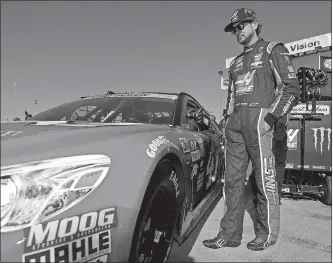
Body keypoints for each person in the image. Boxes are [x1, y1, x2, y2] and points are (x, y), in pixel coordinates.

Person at [203, 8, 300, 251]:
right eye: (234, 29)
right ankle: (229, 235)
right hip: (236, 127)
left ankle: (265, 235)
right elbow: (231, 98)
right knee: (232, 182)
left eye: (242, 26)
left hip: (260, 124)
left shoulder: (272, 49)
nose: (238, 31)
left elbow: (291, 88)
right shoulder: (235, 63)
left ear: (255, 24)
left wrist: (270, 118)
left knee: (263, 180)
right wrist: (227, 122)